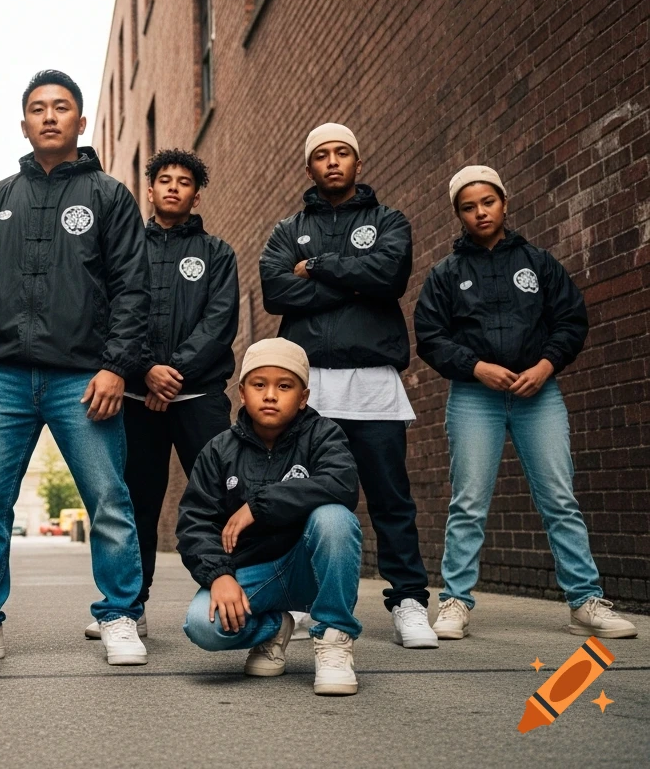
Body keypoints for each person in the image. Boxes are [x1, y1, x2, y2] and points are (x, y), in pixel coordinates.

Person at [0, 69, 149, 667]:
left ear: (81, 120)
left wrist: (117, 367)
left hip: (84, 379)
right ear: (24, 124)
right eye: (39, 108)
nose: (50, 116)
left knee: (109, 499)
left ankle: (120, 616)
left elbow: (133, 289)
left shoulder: (109, 196)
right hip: (2, 378)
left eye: (61, 106)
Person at [413, 166, 637, 640]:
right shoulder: (446, 274)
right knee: (468, 502)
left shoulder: (539, 263)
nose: (480, 212)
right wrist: (477, 367)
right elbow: (431, 337)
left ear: (504, 203)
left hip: (539, 395)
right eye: (469, 207)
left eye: (488, 202)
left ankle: (585, 602)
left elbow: (571, 320)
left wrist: (546, 366)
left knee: (559, 498)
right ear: (458, 214)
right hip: (474, 398)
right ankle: (455, 602)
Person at [258, 123, 437, 649]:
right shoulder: (287, 229)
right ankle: (304, 600)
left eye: (342, 153)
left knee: (390, 499)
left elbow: (390, 277)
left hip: (373, 383)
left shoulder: (388, 221)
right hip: (311, 386)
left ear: (358, 162)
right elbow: (275, 290)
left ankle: (408, 602)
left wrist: (317, 268)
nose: (333, 161)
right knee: (304, 497)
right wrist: (356, 283)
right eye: (322, 155)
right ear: (309, 167)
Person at [85, 148, 238, 642]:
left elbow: (220, 322)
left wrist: (175, 376)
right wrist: (146, 370)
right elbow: (108, 315)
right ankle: (130, 607)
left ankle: (249, 595)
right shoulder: (124, 249)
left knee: (223, 497)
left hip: (200, 398)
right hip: (135, 399)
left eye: (184, 181)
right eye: (165, 180)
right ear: (149, 191)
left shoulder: (217, 253)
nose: (174, 187)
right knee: (136, 504)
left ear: (197, 194)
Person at [178, 338, 363, 696]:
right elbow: (195, 522)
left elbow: (342, 484)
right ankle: (275, 627)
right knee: (202, 625)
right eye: (259, 384)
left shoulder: (323, 434)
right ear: (242, 393)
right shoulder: (218, 451)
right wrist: (219, 575)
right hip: (253, 572)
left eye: (284, 386)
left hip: (308, 568)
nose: (270, 396)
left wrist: (259, 505)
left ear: (303, 397)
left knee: (335, 518)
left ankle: (334, 637)